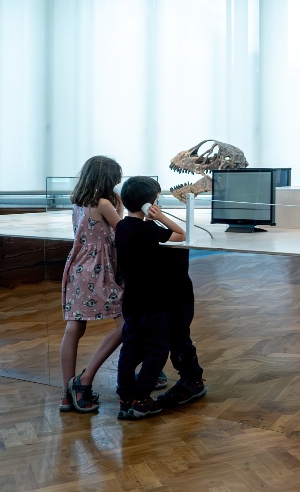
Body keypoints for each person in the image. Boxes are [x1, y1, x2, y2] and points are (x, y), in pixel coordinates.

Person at [113, 176, 206, 420]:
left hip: (132, 301)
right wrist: (160, 216)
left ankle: (126, 397)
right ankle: (142, 398)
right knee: (157, 349)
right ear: (149, 204)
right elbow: (180, 234)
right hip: (154, 303)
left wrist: (149, 216)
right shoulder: (147, 230)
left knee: (130, 349)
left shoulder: (121, 227)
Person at [59, 156, 125, 414]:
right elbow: (123, 231)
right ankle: (85, 379)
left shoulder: (78, 202)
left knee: (74, 328)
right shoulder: (104, 203)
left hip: (78, 268)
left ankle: (68, 392)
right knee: (125, 324)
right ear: (108, 178)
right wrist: (120, 207)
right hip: (99, 271)